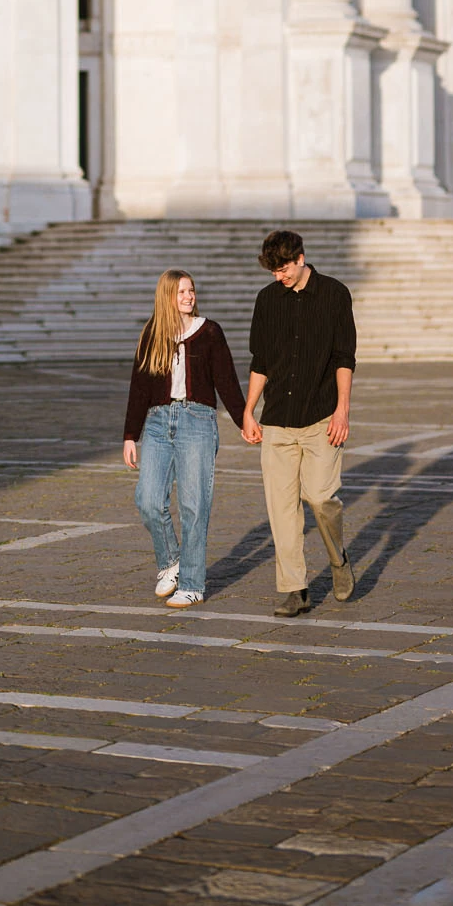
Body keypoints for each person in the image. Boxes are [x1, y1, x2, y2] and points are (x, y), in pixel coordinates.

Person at [242, 228, 357, 617]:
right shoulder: (266, 300)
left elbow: (345, 357)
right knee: (281, 508)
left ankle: (338, 558)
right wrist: (248, 409)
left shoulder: (335, 294)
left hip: (321, 416)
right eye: (274, 270)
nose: (280, 276)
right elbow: (261, 361)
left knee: (322, 498)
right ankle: (295, 589)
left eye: (284, 267)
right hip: (277, 419)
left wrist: (342, 410)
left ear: (301, 258)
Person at [122, 270, 246, 608]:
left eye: (191, 291)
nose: (189, 297)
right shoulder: (152, 334)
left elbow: (227, 381)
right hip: (158, 422)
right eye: (181, 292)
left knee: (194, 507)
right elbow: (139, 388)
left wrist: (244, 419)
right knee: (147, 499)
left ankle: (192, 584)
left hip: (198, 422)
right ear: (167, 297)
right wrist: (131, 435)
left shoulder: (210, 332)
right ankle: (170, 561)